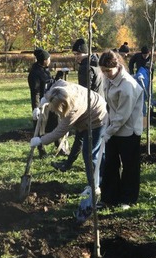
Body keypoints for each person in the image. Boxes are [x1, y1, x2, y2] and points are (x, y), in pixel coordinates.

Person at [29, 80, 108, 220]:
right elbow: (54, 87)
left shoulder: (73, 110)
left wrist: (41, 140)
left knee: (90, 153)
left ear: (64, 106)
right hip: (86, 112)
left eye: (55, 109)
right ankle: (97, 178)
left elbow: (60, 131)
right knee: (88, 150)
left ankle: (94, 186)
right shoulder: (60, 87)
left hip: (97, 118)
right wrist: (42, 102)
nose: (53, 111)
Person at [98, 50, 144, 209]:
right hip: (113, 128)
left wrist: (109, 131)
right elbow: (109, 106)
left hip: (129, 130)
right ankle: (109, 198)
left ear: (117, 66)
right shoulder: (108, 80)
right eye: (103, 71)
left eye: (108, 70)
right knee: (110, 163)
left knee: (129, 165)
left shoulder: (127, 85)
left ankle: (127, 198)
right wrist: (106, 125)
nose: (105, 74)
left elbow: (123, 114)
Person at [52, 39, 104, 172]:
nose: (76, 57)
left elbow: (84, 91)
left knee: (82, 137)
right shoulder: (96, 63)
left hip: (89, 107)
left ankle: (71, 166)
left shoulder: (86, 68)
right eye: (74, 54)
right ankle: (69, 164)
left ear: (85, 53)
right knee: (86, 139)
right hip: (100, 104)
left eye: (77, 54)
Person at [28, 48, 62, 157]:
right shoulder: (34, 73)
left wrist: (58, 78)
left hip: (51, 102)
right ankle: (41, 151)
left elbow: (49, 84)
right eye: (48, 58)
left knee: (57, 123)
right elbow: (36, 92)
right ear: (44, 60)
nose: (50, 60)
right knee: (40, 127)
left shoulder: (44, 70)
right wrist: (36, 107)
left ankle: (60, 146)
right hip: (42, 104)